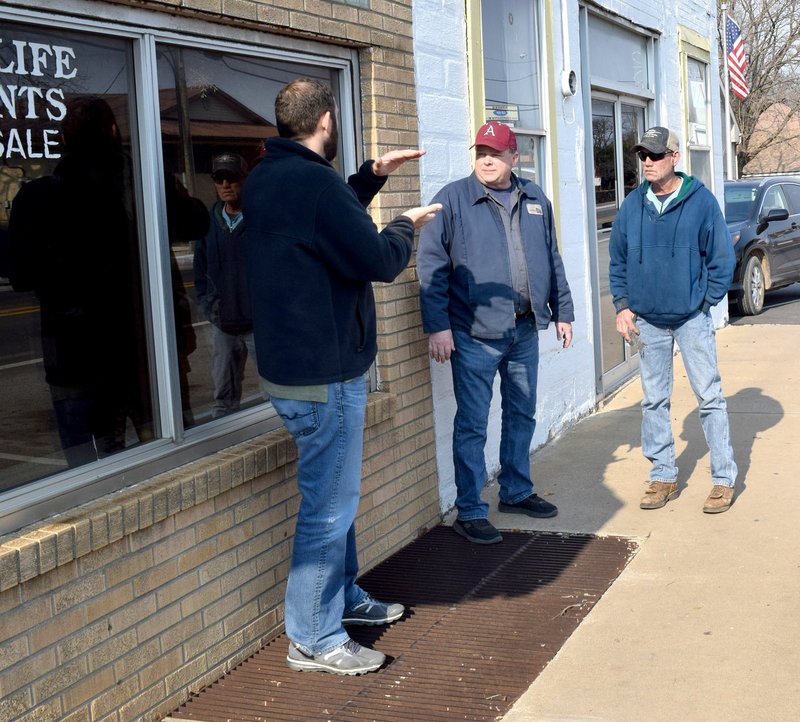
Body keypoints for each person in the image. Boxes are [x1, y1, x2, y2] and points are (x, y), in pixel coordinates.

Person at [241, 78, 441, 676]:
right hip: (323, 377)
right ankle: (314, 637)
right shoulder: (314, 184)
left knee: (337, 500)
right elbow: (377, 259)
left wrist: (369, 175)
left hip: (292, 372)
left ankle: (344, 598)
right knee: (329, 508)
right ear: (326, 120)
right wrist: (404, 223)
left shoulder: (267, 178)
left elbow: (322, 220)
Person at [417, 121, 574, 546]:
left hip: (523, 328)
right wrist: (438, 326)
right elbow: (430, 267)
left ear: (513, 157)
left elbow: (551, 258)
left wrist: (563, 311)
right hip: (473, 334)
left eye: (496, 152)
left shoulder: (535, 198)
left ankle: (516, 491)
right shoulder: (452, 200)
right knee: (472, 423)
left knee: (521, 413)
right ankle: (469, 509)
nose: (487, 159)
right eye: (481, 151)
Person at [8, 96, 152, 466]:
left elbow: (20, 272)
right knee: (141, 456)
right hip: (127, 351)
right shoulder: (133, 189)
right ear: (114, 134)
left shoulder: (39, 198)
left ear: (64, 140)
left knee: (84, 473)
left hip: (77, 356)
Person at [609, 126, 738, 513]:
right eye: (643, 156)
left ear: (674, 157)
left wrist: (704, 302)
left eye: (655, 155)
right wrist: (622, 305)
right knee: (654, 402)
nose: (647, 162)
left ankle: (722, 479)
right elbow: (617, 260)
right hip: (647, 321)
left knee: (710, 397)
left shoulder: (700, 201)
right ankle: (663, 476)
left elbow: (721, 259)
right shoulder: (632, 205)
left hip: (691, 320)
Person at [194, 152, 256, 419]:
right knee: (223, 400)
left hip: (258, 326)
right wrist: (212, 310)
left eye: (232, 178)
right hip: (224, 326)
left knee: (276, 392)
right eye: (220, 179)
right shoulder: (208, 225)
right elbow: (200, 274)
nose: (226, 185)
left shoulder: (259, 220)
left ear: (244, 180)